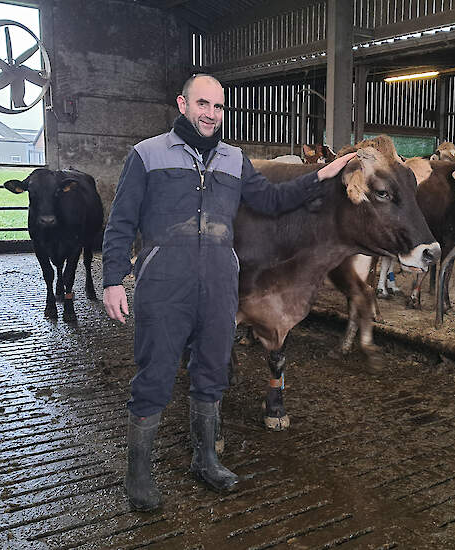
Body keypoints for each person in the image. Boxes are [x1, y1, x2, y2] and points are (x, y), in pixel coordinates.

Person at [101, 73, 355, 511]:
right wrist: (111, 280)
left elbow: (272, 201)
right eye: (203, 104)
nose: (211, 114)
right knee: (156, 374)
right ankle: (138, 474)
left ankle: (207, 460)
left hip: (220, 285)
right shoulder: (148, 154)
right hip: (164, 285)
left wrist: (322, 175)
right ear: (183, 104)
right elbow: (121, 221)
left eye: (218, 107)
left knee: (213, 371)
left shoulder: (234, 160)